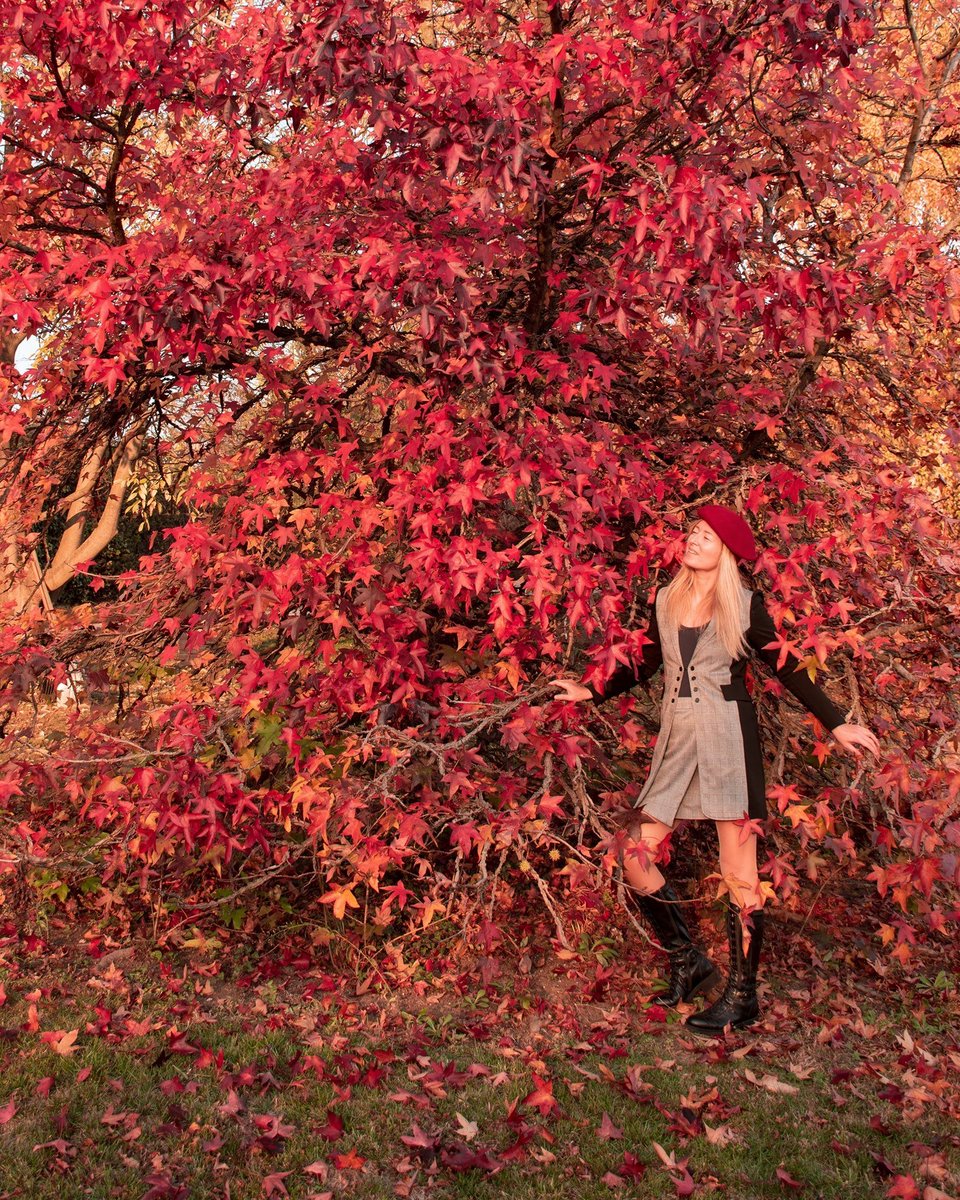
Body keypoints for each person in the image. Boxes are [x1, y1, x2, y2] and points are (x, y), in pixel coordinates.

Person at [549, 504, 879, 1034]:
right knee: (630, 851)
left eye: (705, 536)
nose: (693, 540)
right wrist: (592, 690)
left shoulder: (745, 606)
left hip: (729, 739)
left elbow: (788, 667)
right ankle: (688, 959)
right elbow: (648, 663)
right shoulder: (665, 598)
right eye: (693, 532)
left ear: (724, 551)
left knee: (740, 872)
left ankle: (742, 996)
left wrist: (836, 723)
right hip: (678, 740)